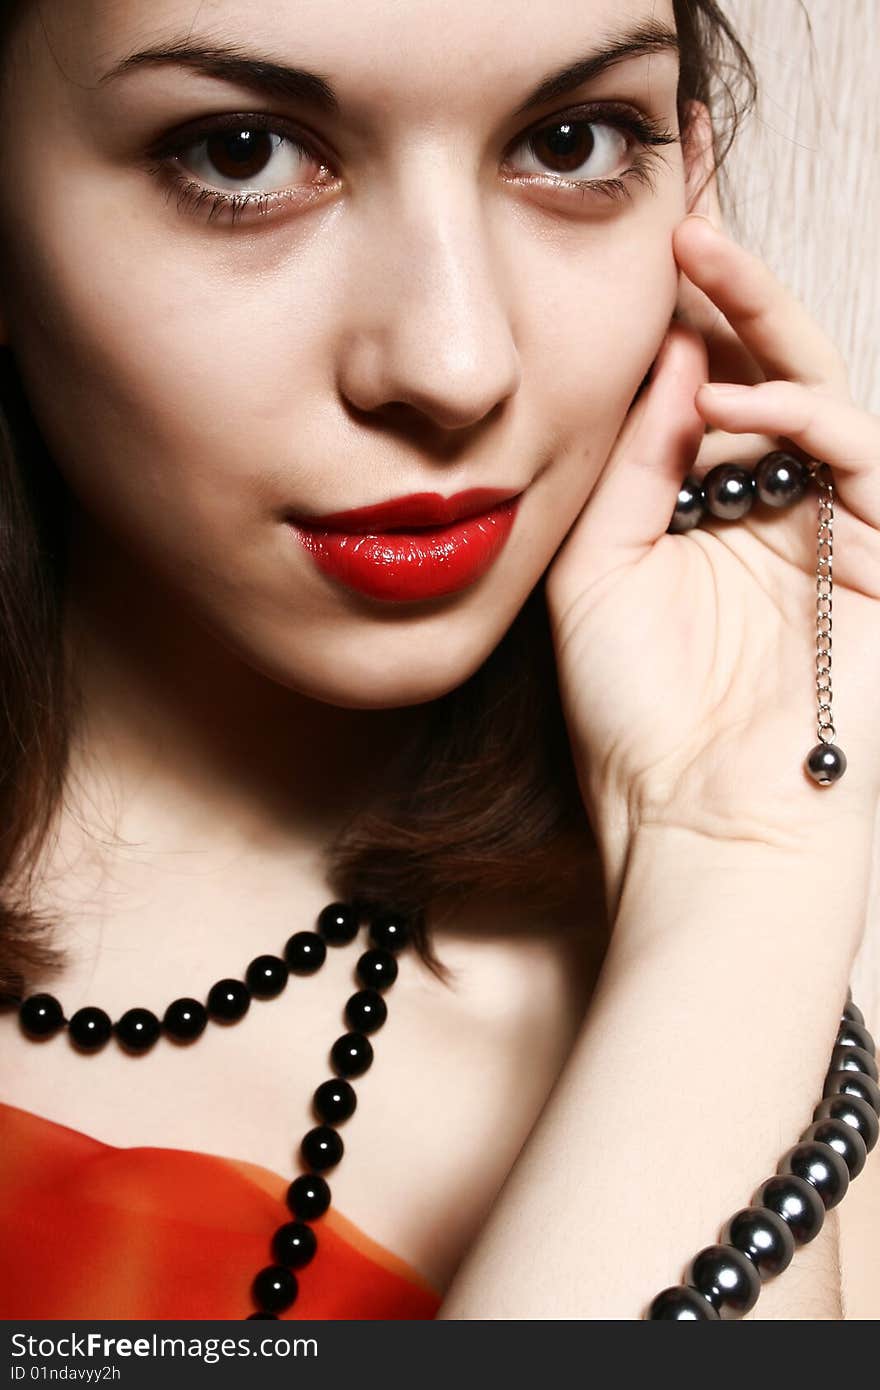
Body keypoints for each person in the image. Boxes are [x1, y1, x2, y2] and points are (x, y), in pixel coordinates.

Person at [0, 0, 877, 1323]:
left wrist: (739, 854)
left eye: (574, 142)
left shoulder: (742, 1051)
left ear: (685, 188)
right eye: (241, 153)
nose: (455, 363)